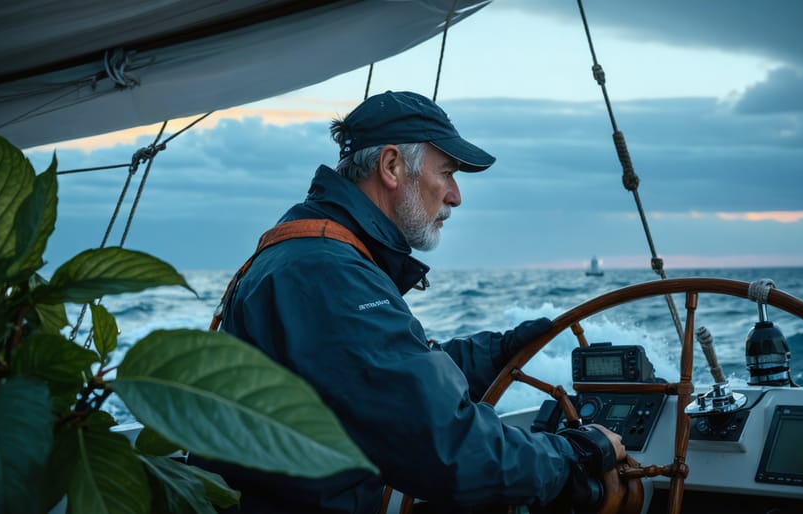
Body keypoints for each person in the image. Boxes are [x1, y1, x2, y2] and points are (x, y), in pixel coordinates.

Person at [192, 91, 628, 513]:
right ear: (392, 165)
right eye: (447, 172)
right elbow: (444, 449)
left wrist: (492, 354)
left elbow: (372, 375)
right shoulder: (329, 274)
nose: (456, 195)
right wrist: (577, 454)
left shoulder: (311, 252)